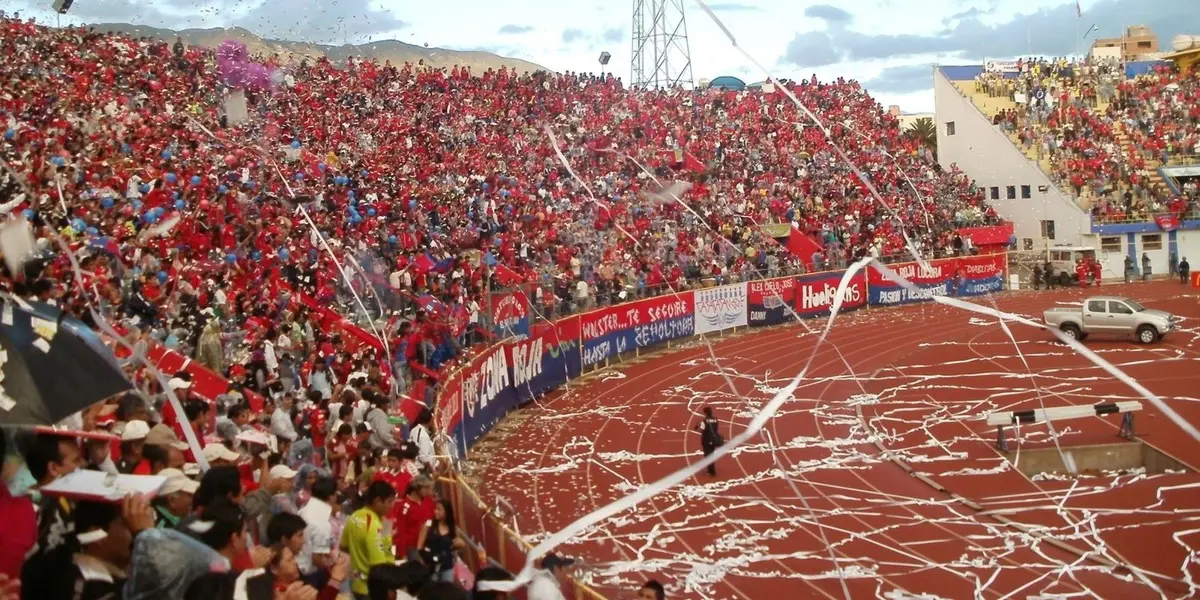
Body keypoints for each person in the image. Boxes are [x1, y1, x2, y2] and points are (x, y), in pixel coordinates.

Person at [341, 481, 397, 600]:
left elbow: (343, 546)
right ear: (377, 501)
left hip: (356, 584)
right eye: (389, 502)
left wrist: (359, 555)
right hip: (373, 589)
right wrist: (388, 588)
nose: (392, 506)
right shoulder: (374, 526)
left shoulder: (354, 517)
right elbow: (378, 566)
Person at [297, 477, 338, 588]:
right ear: (331, 497)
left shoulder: (303, 509)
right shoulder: (322, 522)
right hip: (309, 574)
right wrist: (336, 564)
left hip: (299, 565)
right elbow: (317, 559)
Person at [417, 499, 462, 583]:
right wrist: (423, 562)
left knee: (447, 591)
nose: (435, 512)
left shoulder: (453, 528)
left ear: (446, 512)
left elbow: (458, 544)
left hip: (447, 567)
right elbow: (419, 546)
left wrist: (456, 545)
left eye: (439, 509)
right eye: (435, 509)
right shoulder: (428, 524)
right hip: (430, 566)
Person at [695, 407, 722, 476]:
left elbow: (701, 430)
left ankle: (711, 471)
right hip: (713, 439)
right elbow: (716, 428)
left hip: (706, 440)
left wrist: (697, 427)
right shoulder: (716, 420)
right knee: (711, 454)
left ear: (705, 413)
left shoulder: (704, 421)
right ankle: (711, 470)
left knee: (707, 455)